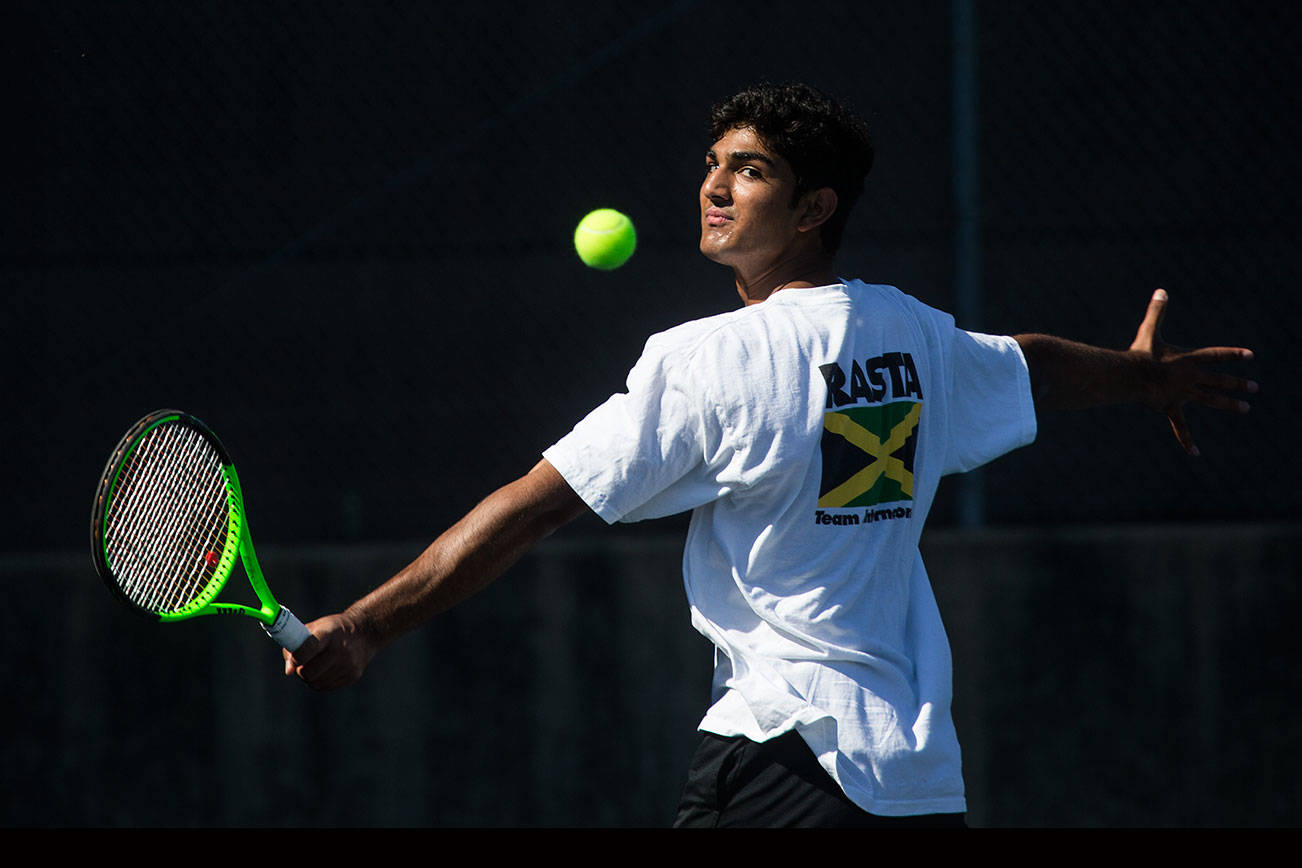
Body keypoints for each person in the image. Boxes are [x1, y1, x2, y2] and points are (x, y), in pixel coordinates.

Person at [282, 83, 1256, 826]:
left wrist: (367, 623)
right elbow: (1029, 367)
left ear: (812, 208)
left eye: (748, 171)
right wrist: (1141, 377)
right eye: (713, 162)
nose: (712, 185)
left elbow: (537, 503)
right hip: (916, 781)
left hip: (778, 752)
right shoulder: (912, 334)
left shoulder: (702, 360)